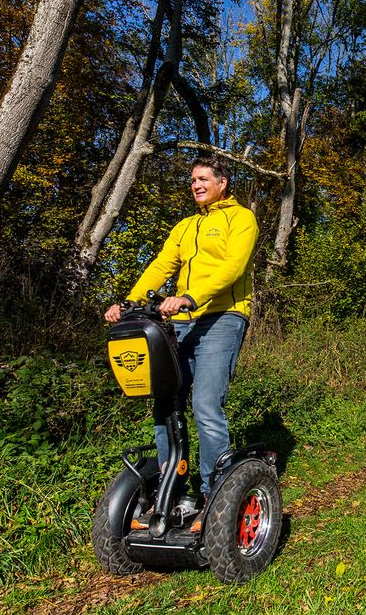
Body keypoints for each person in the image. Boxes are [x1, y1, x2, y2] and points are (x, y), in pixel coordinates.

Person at [105, 155, 257, 532]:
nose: (196, 184)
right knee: (166, 402)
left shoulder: (241, 219)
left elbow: (232, 268)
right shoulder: (186, 226)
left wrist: (190, 296)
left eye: (203, 178)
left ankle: (212, 494)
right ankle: (172, 491)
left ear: (223, 183)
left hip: (224, 316)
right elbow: (161, 265)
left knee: (205, 402)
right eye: (192, 180)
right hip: (181, 322)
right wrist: (129, 303)